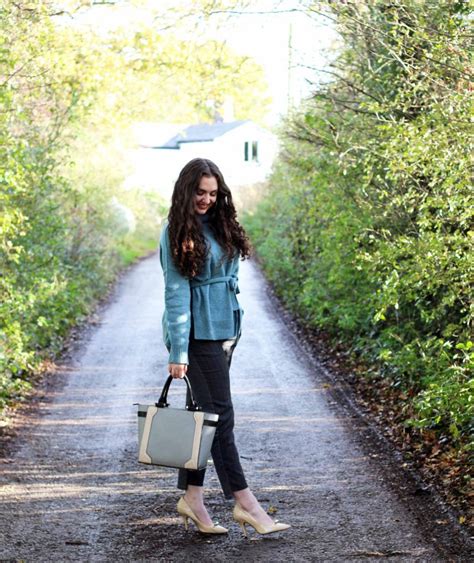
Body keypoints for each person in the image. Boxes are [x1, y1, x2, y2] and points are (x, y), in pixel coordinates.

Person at [159, 157, 290, 537]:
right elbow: (175, 292)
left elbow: (230, 274)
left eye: (213, 193)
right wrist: (178, 351)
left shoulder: (219, 224)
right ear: (187, 190)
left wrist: (233, 324)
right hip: (197, 336)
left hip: (223, 331)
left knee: (204, 416)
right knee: (221, 417)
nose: (206, 199)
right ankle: (246, 503)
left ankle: (193, 498)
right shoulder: (174, 232)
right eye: (200, 192)